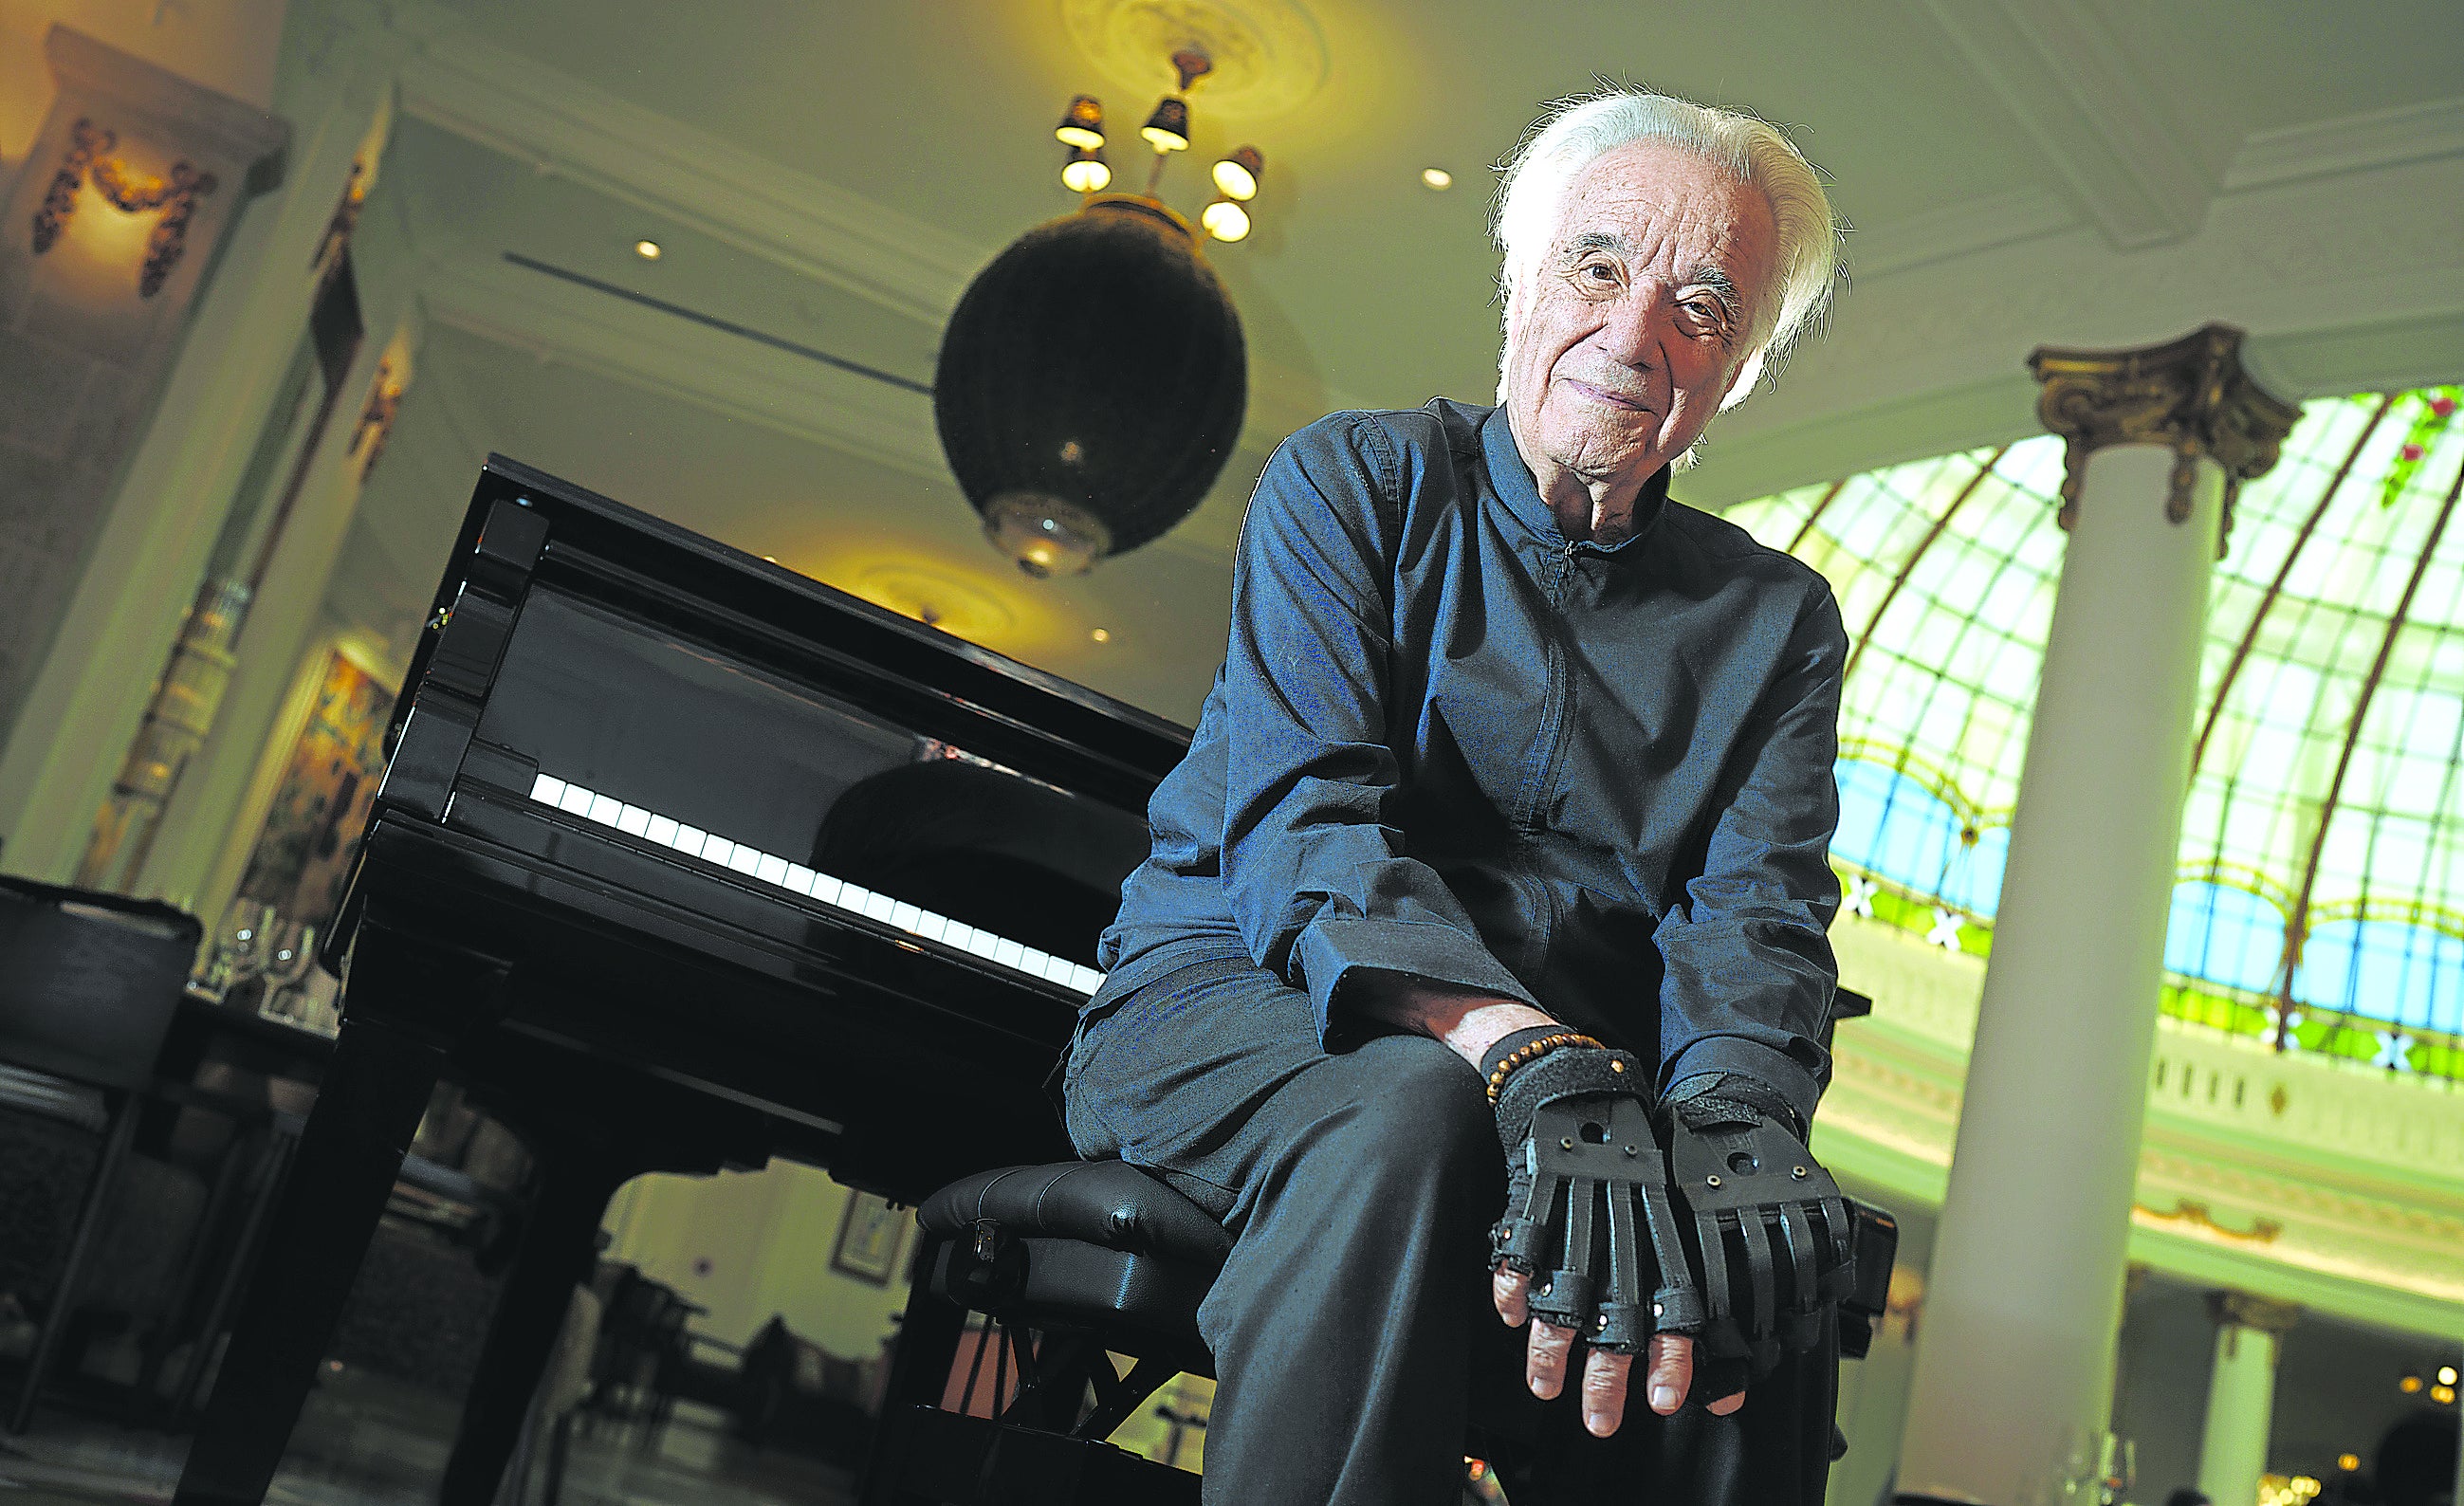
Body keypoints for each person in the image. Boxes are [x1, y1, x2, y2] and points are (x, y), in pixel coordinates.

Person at [1061, 84, 1849, 1504]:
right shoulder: (1350, 484)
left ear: (1735, 372)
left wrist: (1737, 1115)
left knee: (1754, 1245)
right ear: (1519, 278)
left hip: (1575, 1087)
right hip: (1237, 1004)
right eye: (1597, 267)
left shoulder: (1778, 623)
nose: (1634, 334)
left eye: (1702, 307)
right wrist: (1516, 1049)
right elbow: (1307, 825)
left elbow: (1757, 921)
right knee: (1417, 1114)